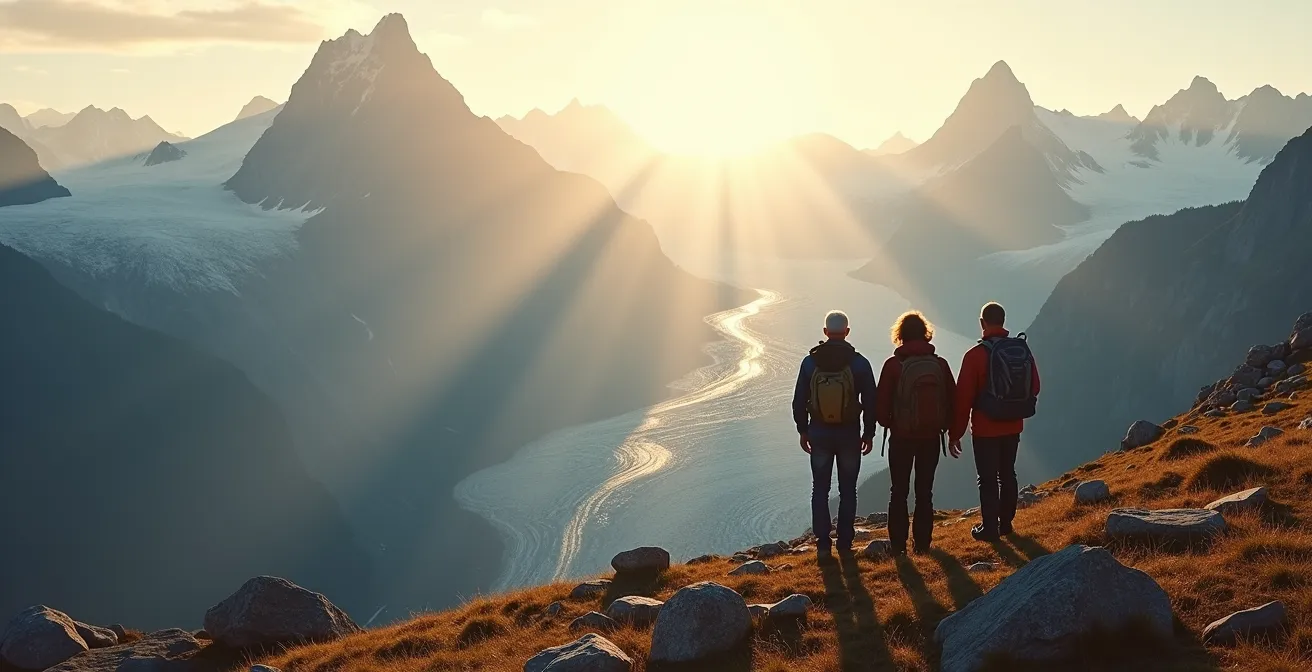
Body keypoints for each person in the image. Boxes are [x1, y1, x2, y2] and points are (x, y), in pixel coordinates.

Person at [950, 302, 1040, 543]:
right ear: (1003, 321)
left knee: (987, 479)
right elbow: (1035, 386)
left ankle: (989, 528)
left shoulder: (974, 356)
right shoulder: (1021, 350)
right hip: (1013, 425)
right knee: (1007, 473)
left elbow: (963, 399)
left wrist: (955, 433)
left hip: (985, 428)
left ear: (982, 323)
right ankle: (1006, 524)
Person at [793, 310, 877, 556]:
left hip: (819, 432)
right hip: (849, 433)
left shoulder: (810, 362)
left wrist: (803, 430)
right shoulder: (859, 363)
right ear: (847, 332)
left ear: (825, 332)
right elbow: (871, 401)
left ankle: (822, 543)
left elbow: (799, 401)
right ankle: (844, 543)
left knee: (820, 489)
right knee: (848, 489)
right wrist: (869, 433)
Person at [876, 311, 956, 555]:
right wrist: (947, 429)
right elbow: (952, 400)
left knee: (898, 492)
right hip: (931, 438)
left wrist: (893, 422)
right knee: (924, 492)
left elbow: (881, 410)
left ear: (900, 335)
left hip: (901, 438)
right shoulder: (940, 365)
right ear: (926, 334)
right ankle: (922, 546)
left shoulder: (893, 366)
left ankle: (898, 547)